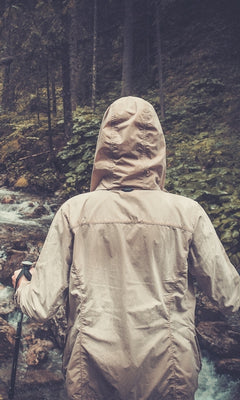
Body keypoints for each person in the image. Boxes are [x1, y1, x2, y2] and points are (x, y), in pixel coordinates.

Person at [12, 96, 240, 400]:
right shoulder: (188, 214)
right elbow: (230, 296)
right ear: (158, 144)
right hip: (169, 370)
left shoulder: (74, 212)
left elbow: (39, 306)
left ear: (104, 145)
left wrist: (21, 284)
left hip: (90, 369)